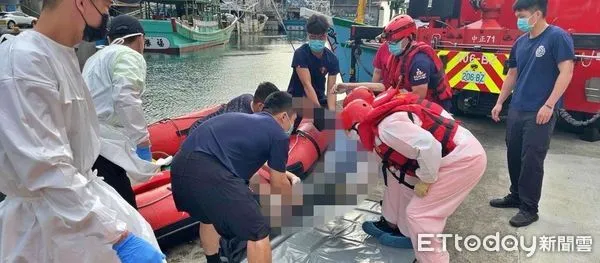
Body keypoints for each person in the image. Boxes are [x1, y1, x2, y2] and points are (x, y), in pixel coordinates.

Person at [0, 0, 165, 261]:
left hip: (75, 204)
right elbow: (47, 168)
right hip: (48, 224)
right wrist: (119, 236)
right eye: (104, 5)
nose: (107, 14)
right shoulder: (24, 63)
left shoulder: (61, 54)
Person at [340, 92, 487, 263]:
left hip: (463, 160)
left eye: (350, 132)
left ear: (357, 125)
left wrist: (426, 180)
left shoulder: (387, 128)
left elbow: (429, 147)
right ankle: (402, 231)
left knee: (420, 214)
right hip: (455, 154)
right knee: (400, 181)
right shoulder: (380, 125)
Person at [170, 91, 298, 263]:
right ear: (284, 116)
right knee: (258, 231)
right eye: (293, 118)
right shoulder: (278, 134)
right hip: (210, 172)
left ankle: (213, 261)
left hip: (179, 167)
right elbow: (278, 183)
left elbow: (243, 157)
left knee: (208, 218)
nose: (292, 124)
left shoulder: (243, 120)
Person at [489, 0, 574, 227]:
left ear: (537, 14)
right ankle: (515, 195)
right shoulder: (520, 43)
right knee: (514, 154)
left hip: (540, 111)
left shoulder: (557, 37)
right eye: (517, 14)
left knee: (532, 160)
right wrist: (500, 102)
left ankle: (529, 208)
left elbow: (566, 71)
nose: (519, 19)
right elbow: (512, 75)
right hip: (518, 108)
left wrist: (549, 105)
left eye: (522, 14)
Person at [83, 14, 159, 209]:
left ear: (110, 38)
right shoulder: (129, 56)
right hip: (105, 145)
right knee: (124, 208)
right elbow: (126, 97)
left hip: (85, 140)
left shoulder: (94, 58)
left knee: (102, 200)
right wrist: (142, 140)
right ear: (141, 38)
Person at [333, 15, 453, 111]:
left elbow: (418, 95)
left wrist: (387, 100)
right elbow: (386, 87)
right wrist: (348, 86)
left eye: (394, 42)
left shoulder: (419, 62)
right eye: (389, 42)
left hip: (434, 107)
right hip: (413, 102)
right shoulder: (398, 57)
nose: (390, 45)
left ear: (409, 37)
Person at [287, 14, 339, 131]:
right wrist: (318, 111)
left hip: (319, 97)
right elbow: (307, 85)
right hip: (298, 98)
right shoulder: (301, 54)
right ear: (308, 36)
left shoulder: (332, 59)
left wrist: (331, 113)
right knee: (291, 127)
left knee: (331, 121)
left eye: (320, 37)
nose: (316, 40)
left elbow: (331, 90)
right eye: (313, 37)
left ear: (325, 36)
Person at [185, 81, 280, 135]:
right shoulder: (243, 120)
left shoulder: (247, 97)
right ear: (260, 106)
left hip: (199, 126)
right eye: (271, 111)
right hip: (199, 135)